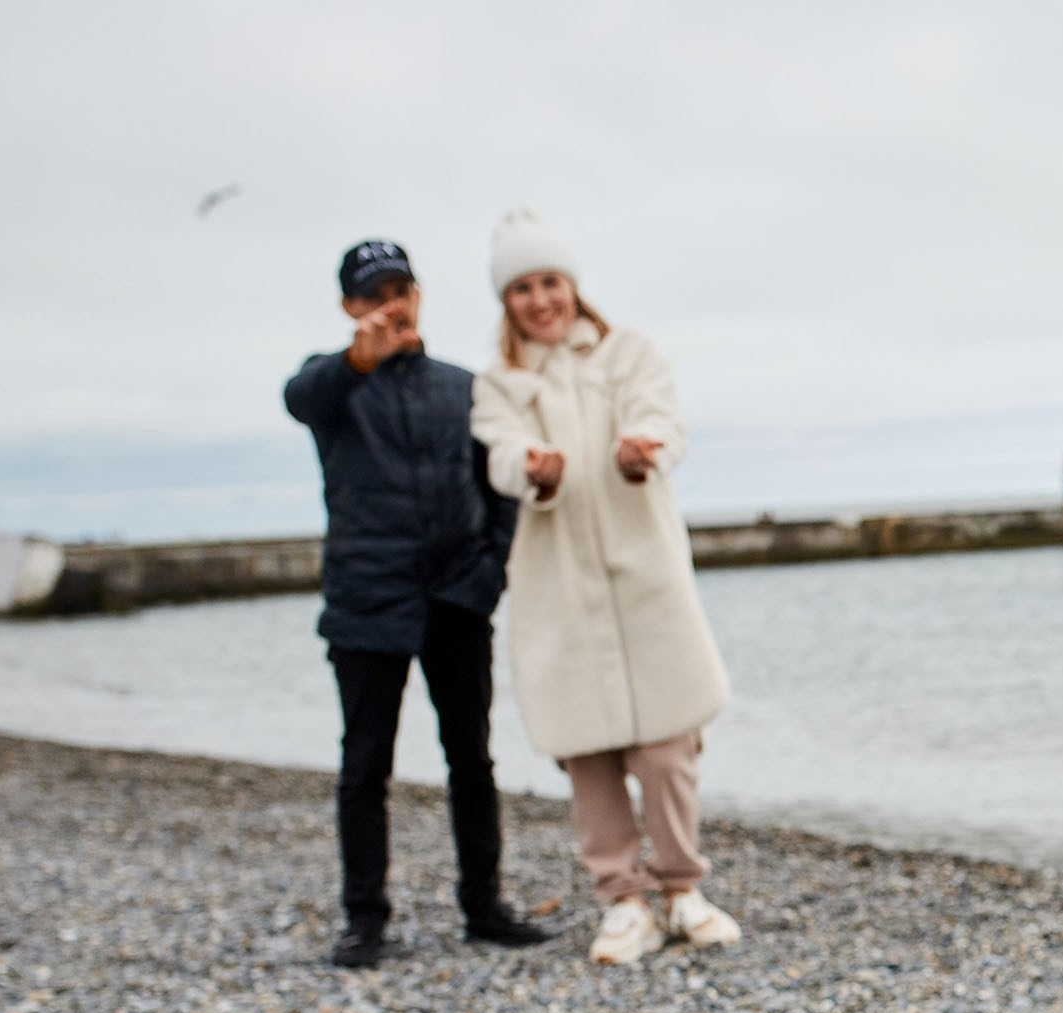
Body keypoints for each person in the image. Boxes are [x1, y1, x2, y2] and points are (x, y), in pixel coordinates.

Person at [469, 209, 740, 967]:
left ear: (573, 286)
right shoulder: (500, 381)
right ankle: (623, 900)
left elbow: (663, 423)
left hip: (644, 577)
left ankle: (684, 887)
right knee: (585, 752)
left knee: (668, 747)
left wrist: (639, 454)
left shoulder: (631, 353)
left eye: (549, 280)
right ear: (507, 301)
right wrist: (535, 470)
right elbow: (501, 454)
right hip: (558, 585)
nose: (539, 298)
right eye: (521, 287)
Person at [282, 239, 551, 968]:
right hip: (366, 602)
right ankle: (364, 917)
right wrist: (357, 358)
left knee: (471, 758)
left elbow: (500, 485)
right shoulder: (331, 384)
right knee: (364, 764)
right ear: (350, 308)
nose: (391, 305)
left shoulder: (465, 387)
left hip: (456, 598)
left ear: (421, 293)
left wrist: (489, 572)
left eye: (400, 289)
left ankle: (485, 906)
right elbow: (298, 401)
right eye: (374, 295)